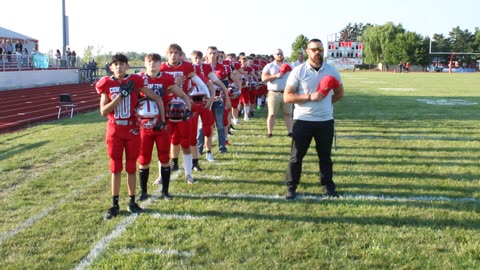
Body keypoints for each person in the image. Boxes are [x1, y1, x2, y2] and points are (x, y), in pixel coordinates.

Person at [96, 53, 165, 220]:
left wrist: (161, 119)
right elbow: (103, 111)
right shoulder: (106, 83)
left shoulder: (135, 81)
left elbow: (156, 97)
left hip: (132, 129)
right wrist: (120, 97)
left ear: (127, 66)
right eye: (115, 64)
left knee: (132, 166)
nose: (119, 67)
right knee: (116, 167)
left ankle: (132, 201)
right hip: (114, 129)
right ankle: (114, 204)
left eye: (122, 64)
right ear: (111, 67)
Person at [283, 38, 344, 200]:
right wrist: (311, 97)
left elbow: (340, 93)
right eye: (314, 49)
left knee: (325, 157)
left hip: (325, 121)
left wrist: (326, 104)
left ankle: (328, 186)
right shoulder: (298, 71)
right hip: (302, 120)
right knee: (296, 157)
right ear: (307, 51)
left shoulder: (331, 70)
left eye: (320, 49)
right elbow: (287, 97)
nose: (318, 52)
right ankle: (291, 186)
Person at [137, 53, 191, 201]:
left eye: (155, 62)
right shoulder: (140, 79)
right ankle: (143, 192)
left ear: (159, 63)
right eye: (149, 62)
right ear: (145, 64)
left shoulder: (166, 78)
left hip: (162, 124)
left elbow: (182, 95)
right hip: (144, 125)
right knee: (143, 159)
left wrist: (188, 108)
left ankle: (165, 191)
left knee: (164, 156)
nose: (152, 65)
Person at [261, 48, 293, 138]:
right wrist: (276, 75)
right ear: (274, 56)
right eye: (278, 54)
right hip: (274, 93)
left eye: (281, 53)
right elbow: (263, 78)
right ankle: (270, 132)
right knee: (271, 114)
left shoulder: (289, 65)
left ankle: (290, 132)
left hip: (286, 93)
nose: (280, 55)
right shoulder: (269, 66)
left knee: (288, 113)